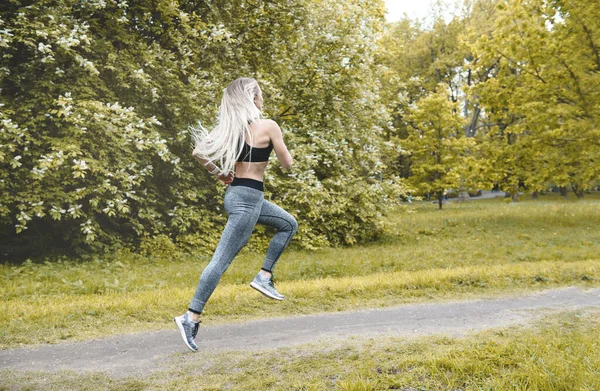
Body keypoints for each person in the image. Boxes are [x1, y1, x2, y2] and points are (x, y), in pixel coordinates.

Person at [174, 77, 298, 352]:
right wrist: (280, 148)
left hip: (238, 195)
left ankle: (264, 276)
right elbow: (287, 164)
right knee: (220, 261)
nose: (263, 99)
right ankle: (190, 317)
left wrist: (219, 173)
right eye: (261, 94)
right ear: (253, 97)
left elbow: (198, 152)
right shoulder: (269, 126)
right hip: (248, 201)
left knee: (288, 224)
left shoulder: (230, 129)